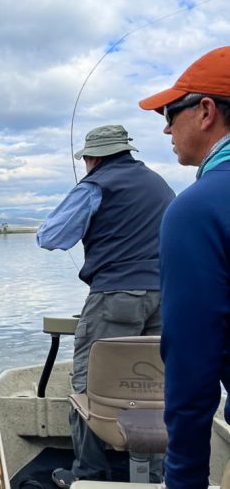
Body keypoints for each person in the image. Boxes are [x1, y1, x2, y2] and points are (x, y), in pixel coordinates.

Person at [37, 124, 175, 487]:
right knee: (155, 388)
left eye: (85, 160)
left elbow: (51, 237)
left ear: (93, 158)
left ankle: (89, 474)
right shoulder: (160, 184)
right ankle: (156, 476)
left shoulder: (97, 185)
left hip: (115, 297)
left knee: (88, 387)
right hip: (165, 297)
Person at [139, 46, 230, 489]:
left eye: (172, 112)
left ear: (207, 111)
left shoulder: (196, 209)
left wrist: (184, 479)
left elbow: (192, 369)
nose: (166, 128)